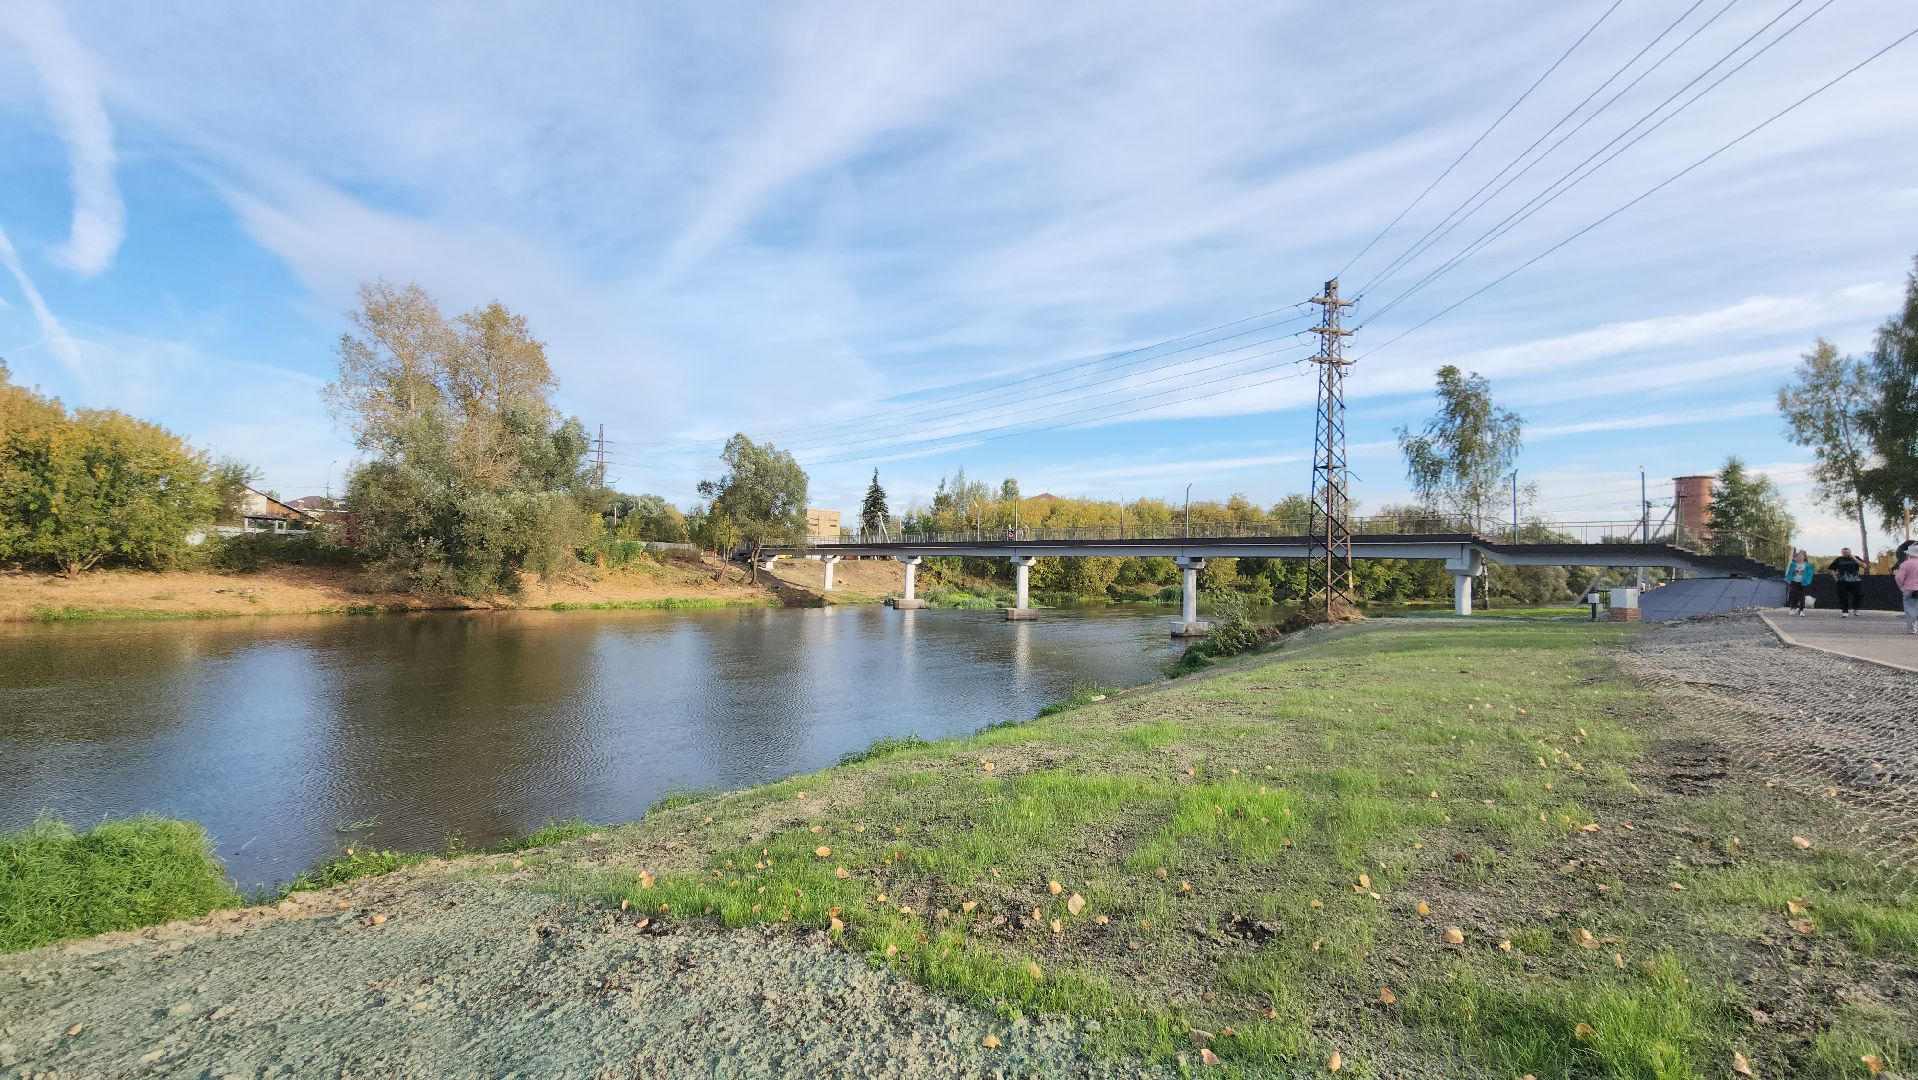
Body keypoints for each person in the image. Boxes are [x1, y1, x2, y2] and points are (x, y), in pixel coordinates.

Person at [1828, 547, 1865, 618]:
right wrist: (1835, 578)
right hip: (1842, 581)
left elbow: (1864, 566)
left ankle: (1856, 608)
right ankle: (1845, 611)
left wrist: (1855, 559)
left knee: (1860, 595)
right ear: (1842, 553)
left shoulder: (1856, 557)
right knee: (1843, 596)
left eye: (1847, 552)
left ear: (1850, 552)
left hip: (1856, 581)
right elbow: (1831, 569)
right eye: (1844, 552)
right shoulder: (1839, 560)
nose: (1846, 554)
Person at [1783, 550, 1815, 616]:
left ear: (1804, 557)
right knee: (1793, 595)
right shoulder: (1793, 564)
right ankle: (1793, 608)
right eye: (1798, 556)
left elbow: (1810, 574)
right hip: (1794, 581)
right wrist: (1788, 579)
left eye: (1801, 556)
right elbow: (1789, 572)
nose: (1799, 557)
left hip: (1803, 583)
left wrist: (1807, 581)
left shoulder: (1808, 565)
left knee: (1802, 596)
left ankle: (1801, 610)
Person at [1898, 547, 1918, 635]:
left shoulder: (1905, 564)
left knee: (1910, 609)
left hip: (1909, 589)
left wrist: (1901, 586)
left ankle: (1912, 629)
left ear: (1910, 554)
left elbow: (1899, 577)